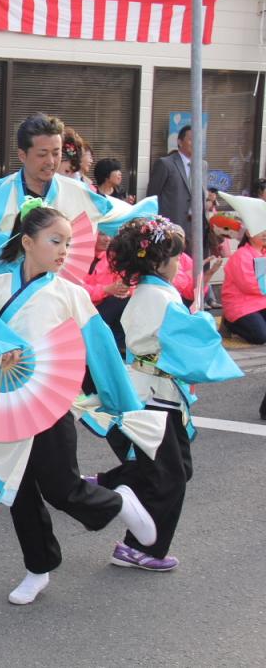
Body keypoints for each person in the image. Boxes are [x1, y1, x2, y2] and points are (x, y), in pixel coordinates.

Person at [0, 200, 158, 605]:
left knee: (63, 488)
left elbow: (100, 350)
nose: (64, 250)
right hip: (9, 401)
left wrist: (123, 406)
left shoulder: (71, 294)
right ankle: (37, 568)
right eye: (55, 240)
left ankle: (119, 501)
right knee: (19, 490)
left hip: (51, 401)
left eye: (68, 242)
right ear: (27, 242)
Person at [90, 216, 241, 571]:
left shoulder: (149, 291)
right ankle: (139, 548)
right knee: (168, 477)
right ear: (158, 261)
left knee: (172, 468)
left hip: (151, 393)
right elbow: (188, 345)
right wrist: (201, 323)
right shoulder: (157, 295)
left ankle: (104, 486)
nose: (179, 263)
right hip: (154, 397)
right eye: (175, 257)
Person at [0, 114, 114, 274]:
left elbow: (119, 217)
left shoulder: (81, 194)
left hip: (60, 293)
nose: (51, 161)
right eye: (42, 154)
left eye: (56, 153)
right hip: (4, 294)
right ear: (22, 155)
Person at [147, 125, 206, 248]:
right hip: (171, 229)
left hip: (194, 231)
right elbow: (152, 197)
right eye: (191, 139)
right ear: (179, 142)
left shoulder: (202, 165)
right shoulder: (165, 164)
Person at [218, 191, 266, 343]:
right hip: (241, 304)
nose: (265, 234)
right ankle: (230, 324)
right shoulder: (241, 255)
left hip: (261, 302)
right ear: (250, 234)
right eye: (261, 232)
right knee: (259, 337)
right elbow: (248, 285)